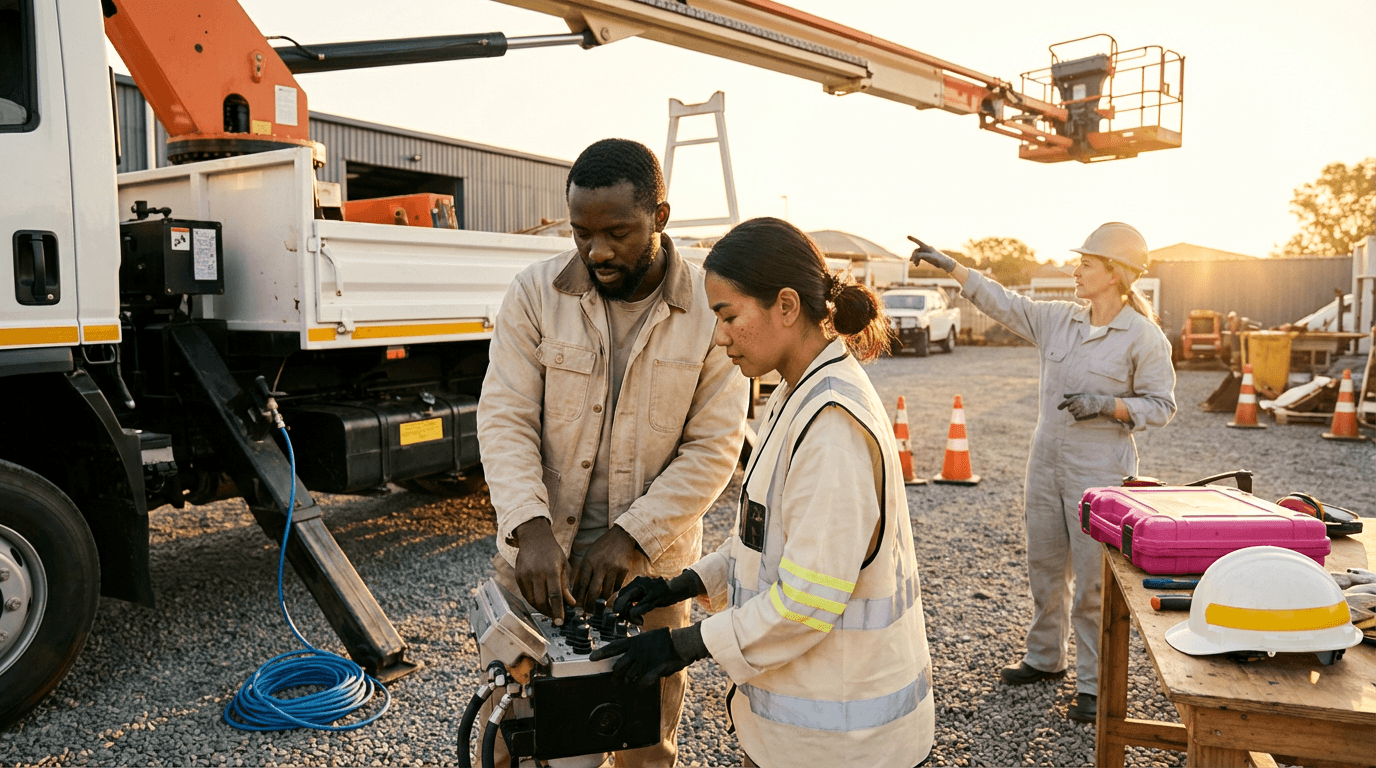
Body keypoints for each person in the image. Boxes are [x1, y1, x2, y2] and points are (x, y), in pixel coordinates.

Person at [592, 217, 935, 768]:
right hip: (803, 737)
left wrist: (681, 645)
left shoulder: (831, 427)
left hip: (845, 745)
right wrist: (682, 584)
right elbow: (765, 541)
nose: (719, 336)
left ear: (786, 305)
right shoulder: (795, 391)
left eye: (728, 316)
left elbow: (805, 598)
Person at [476, 138, 749, 767]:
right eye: (581, 232)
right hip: (540, 563)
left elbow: (713, 447)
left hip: (649, 576)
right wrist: (531, 530)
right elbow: (505, 417)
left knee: (642, 744)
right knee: (526, 738)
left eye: (618, 232)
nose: (597, 250)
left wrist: (630, 538)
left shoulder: (712, 308)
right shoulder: (534, 294)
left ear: (661, 216)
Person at [910, 222, 1177, 723]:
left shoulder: (1144, 337)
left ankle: (1095, 685)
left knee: (1095, 583)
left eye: (1087, 264)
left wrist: (1108, 405)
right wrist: (953, 267)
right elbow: (1004, 302)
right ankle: (1044, 658)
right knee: (1046, 566)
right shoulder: (1058, 320)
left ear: (1116, 275)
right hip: (1046, 463)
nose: (1077, 270)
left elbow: (1162, 406)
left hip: (1100, 472)